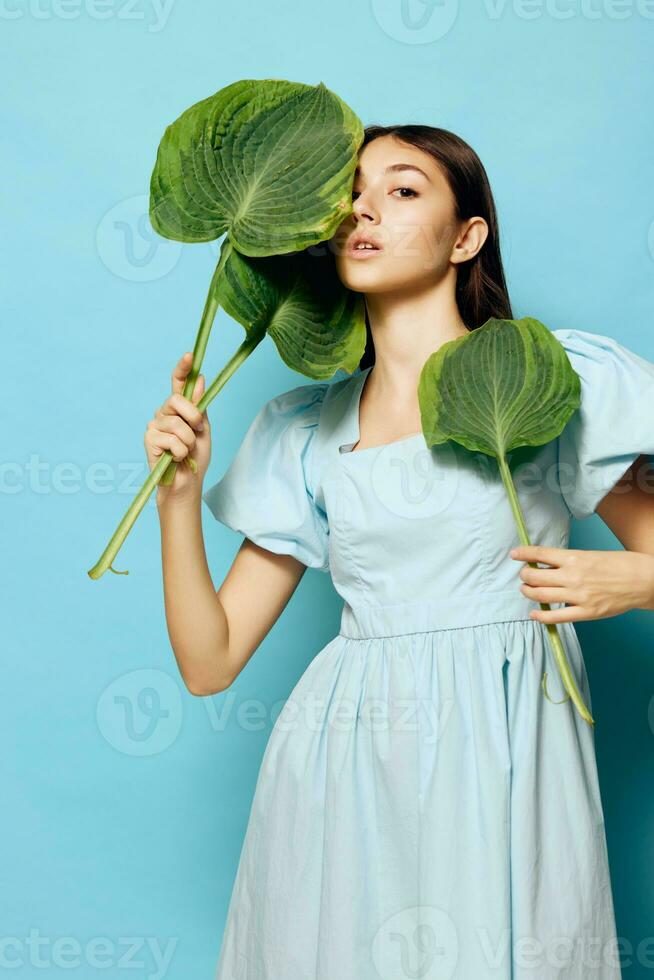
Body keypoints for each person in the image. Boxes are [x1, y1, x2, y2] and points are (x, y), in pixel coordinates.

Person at [145, 125, 654, 979]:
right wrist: (179, 499)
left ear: (468, 237)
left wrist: (634, 578)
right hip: (340, 764)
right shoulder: (305, 427)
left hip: (505, 752)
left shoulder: (540, 378)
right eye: (352, 192)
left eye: (405, 189)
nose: (364, 210)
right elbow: (209, 662)